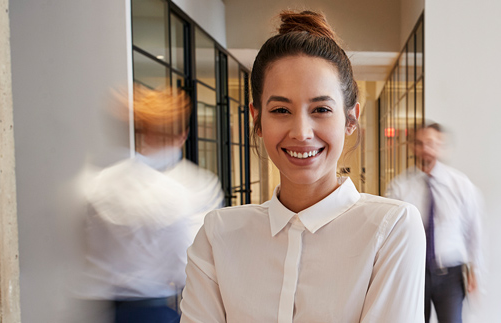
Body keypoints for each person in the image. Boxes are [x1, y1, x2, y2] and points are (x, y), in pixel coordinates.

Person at [180, 11, 425, 323]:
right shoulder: (219, 235)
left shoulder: (391, 228)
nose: (301, 132)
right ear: (257, 119)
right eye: (281, 109)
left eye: (321, 109)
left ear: (350, 119)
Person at [82, 87, 223, 323]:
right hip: (155, 310)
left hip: (99, 311)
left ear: (142, 133)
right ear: (183, 134)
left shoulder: (97, 184)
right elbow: (190, 266)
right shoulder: (189, 191)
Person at [386, 123, 483, 323]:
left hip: (451, 275)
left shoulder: (460, 185)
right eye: (420, 143)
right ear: (412, 146)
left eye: (431, 143)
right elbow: (392, 235)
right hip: (414, 271)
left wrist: (476, 271)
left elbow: (474, 231)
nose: (425, 149)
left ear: (441, 146)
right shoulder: (399, 187)